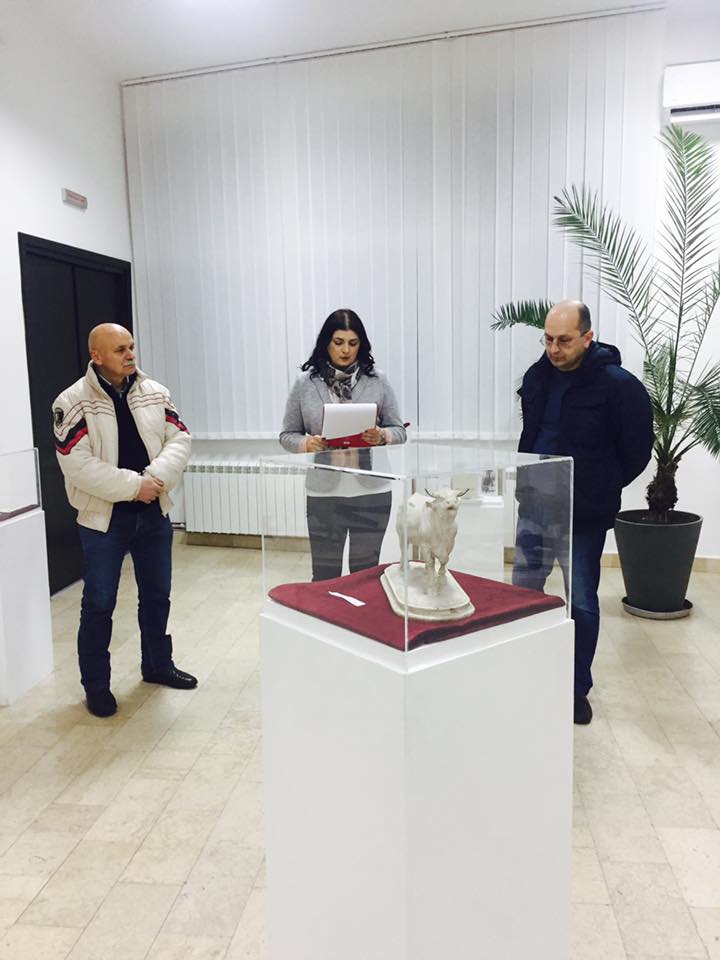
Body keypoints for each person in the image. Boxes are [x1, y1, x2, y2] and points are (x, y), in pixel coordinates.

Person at [514, 300, 653, 725]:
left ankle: (575, 689)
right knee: (523, 596)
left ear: (588, 337)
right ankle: (524, 675)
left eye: (564, 340)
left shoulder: (618, 385)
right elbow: (531, 434)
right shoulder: (537, 376)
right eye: (548, 340)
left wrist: (601, 485)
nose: (554, 349)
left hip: (584, 514)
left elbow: (637, 450)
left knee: (582, 603)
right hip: (535, 504)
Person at [53, 323, 197, 717]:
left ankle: (157, 665)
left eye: (131, 346)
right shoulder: (72, 402)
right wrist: (136, 486)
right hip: (104, 520)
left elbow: (180, 439)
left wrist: (155, 480)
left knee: (157, 595)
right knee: (99, 603)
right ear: (96, 355)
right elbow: (77, 466)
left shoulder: (155, 392)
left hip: (153, 513)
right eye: (120, 349)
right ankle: (96, 687)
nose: (130, 354)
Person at [280, 308, 407, 581]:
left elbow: (399, 430)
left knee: (364, 577)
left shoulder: (377, 380)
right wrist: (307, 443)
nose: (346, 350)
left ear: (361, 344)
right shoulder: (305, 384)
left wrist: (382, 436)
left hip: (372, 491)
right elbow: (287, 435)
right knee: (325, 576)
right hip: (324, 493)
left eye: (353, 343)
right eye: (338, 342)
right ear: (326, 343)